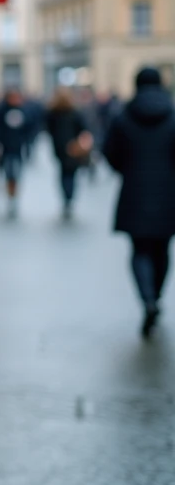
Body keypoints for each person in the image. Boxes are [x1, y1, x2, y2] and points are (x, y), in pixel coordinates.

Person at [103, 67, 175, 339]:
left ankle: (147, 300)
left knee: (139, 249)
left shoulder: (123, 116)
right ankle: (156, 296)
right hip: (169, 192)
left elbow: (110, 152)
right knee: (162, 249)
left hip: (135, 191)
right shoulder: (172, 115)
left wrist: (128, 170)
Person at [44, 88, 91, 220]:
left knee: (64, 173)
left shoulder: (53, 113)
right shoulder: (74, 113)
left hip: (60, 148)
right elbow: (83, 129)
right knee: (71, 174)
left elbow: (48, 129)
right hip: (72, 147)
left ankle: (66, 197)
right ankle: (69, 197)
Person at [0, 88, 33, 219]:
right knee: (9, 174)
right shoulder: (1, 111)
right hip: (5, 149)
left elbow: (29, 127)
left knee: (17, 174)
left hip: (18, 149)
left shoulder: (24, 111)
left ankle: (14, 196)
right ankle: (10, 196)